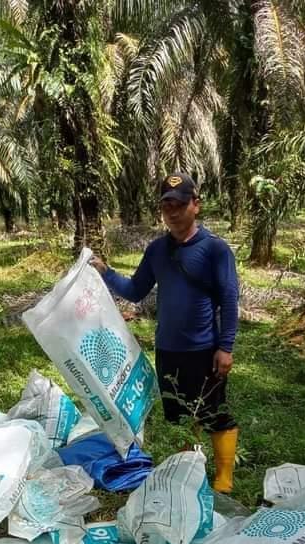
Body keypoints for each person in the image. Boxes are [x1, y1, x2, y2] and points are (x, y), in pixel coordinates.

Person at [90, 172, 240, 493]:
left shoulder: (215, 250)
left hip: (204, 350)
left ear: (195, 205)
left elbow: (229, 300)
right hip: (168, 350)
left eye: (179, 204)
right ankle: (187, 472)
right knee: (178, 414)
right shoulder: (157, 250)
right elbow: (134, 290)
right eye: (166, 206)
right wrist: (105, 273)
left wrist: (225, 347)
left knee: (214, 412)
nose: (172, 212)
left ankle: (224, 477)